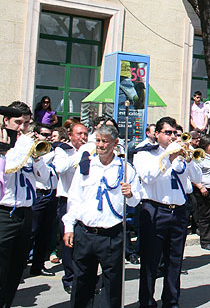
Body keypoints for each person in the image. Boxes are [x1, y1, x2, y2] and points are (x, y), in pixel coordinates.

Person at [62, 124, 142, 307]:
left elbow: (135, 201)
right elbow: (75, 198)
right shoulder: (87, 165)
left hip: (111, 235)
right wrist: (69, 226)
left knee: (112, 285)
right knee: (82, 282)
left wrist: (130, 194)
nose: (100, 145)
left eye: (104, 141)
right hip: (86, 233)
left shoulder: (125, 168)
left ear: (115, 143)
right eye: (97, 140)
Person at [133, 116, 203, 307]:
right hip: (155, 211)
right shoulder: (145, 153)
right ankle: (146, 302)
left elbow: (197, 177)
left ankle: (171, 301)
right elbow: (148, 178)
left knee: (174, 262)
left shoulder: (182, 154)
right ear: (157, 134)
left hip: (178, 212)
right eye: (168, 133)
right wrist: (168, 157)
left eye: (175, 133)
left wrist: (188, 159)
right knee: (150, 262)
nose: (172, 137)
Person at [0, 102, 50, 307]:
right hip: (4, 213)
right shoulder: (6, 145)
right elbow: (8, 168)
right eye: (18, 122)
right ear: (6, 121)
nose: (23, 128)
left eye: (27, 123)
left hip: (25, 212)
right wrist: (15, 149)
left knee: (15, 269)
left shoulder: (27, 146)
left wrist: (37, 158)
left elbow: (45, 180)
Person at [54, 122, 89, 294]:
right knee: (69, 241)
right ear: (70, 136)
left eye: (85, 134)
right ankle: (69, 277)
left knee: (83, 241)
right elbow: (60, 167)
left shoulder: (90, 150)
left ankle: (82, 276)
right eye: (79, 134)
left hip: (84, 201)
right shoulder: (62, 150)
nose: (83, 137)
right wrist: (82, 154)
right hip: (66, 200)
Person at [29, 124, 58, 277]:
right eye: (44, 135)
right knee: (31, 232)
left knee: (45, 233)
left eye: (49, 135)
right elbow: (42, 172)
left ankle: (38, 266)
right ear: (36, 134)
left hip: (51, 194)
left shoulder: (55, 151)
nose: (47, 138)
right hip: (38, 194)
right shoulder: (34, 151)